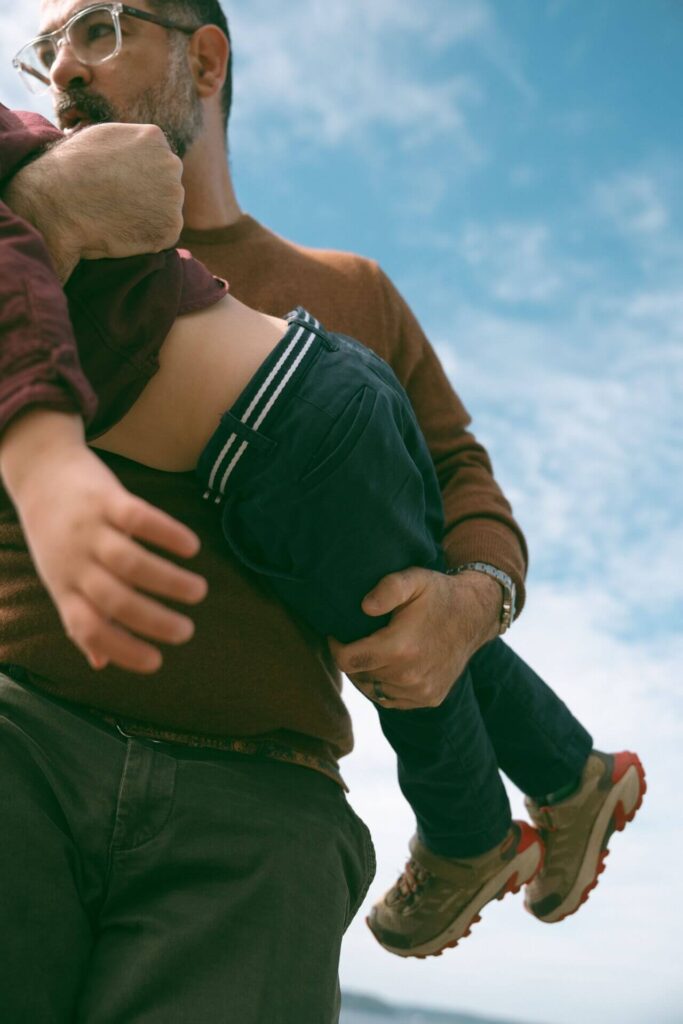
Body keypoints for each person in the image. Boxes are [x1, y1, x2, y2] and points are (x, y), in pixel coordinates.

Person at [0, 0, 644, 1006]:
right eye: (45, 51)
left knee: (380, 570)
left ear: (204, 60)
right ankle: (518, 801)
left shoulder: (348, 289)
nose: (62, 71)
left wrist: (468, 604)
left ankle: (499, 812)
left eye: (96, 31)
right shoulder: (20, 234)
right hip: (23, 742)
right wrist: (42, 215)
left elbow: (462, 481)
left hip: (259, 809)